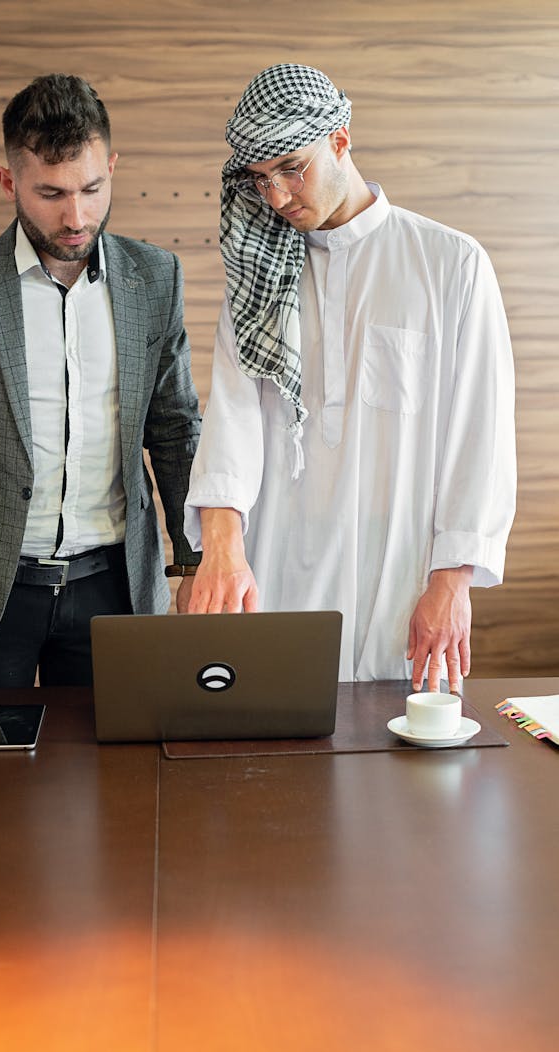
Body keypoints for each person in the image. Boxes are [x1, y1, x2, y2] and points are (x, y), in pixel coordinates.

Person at [184, 63, 516, 691]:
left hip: (398, 583)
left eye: (292, 168)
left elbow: (483, 436)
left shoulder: (450, 264)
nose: (277, 197)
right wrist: (221, 550)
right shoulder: (259, 279)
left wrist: (452, 583)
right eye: (260, 179)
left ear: (341, 140)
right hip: (277, 575)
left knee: (402, 776)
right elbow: (231, 418)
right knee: (273, 765)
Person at [0, 73, 201, 687]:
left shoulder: (156, 278)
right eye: (51, 193)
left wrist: (193, 561)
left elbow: (174, 429)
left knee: (115, 778)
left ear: (112, 165)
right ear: (10, 182)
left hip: (116, 587)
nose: (76, 216)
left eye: (91, 188)